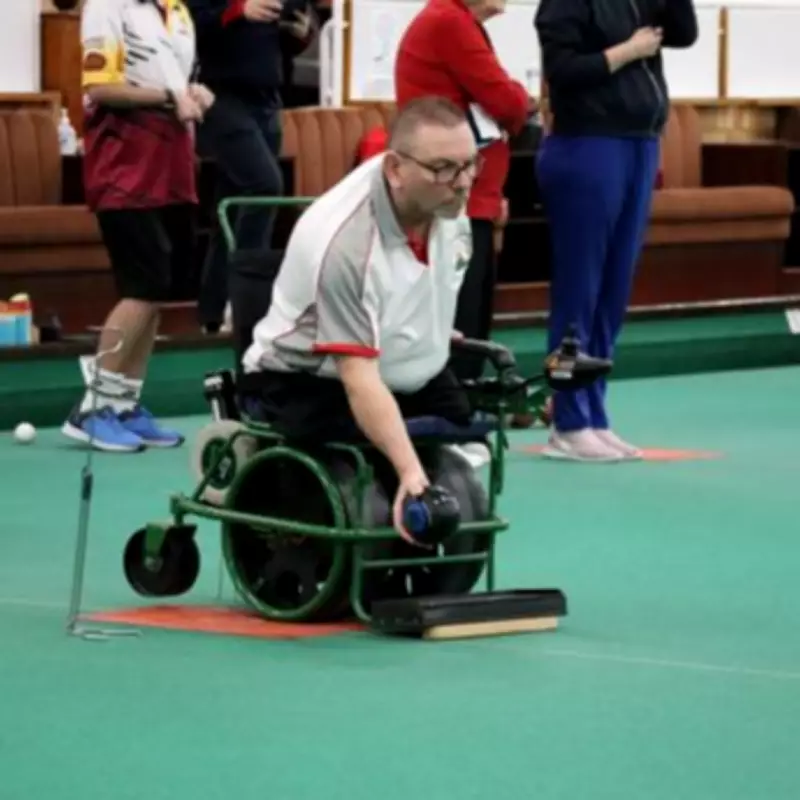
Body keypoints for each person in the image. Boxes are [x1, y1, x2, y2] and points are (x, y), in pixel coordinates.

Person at [240, 96, 482, 540]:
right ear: (394, 169)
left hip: (401, 365)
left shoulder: (442, 198)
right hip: (311, 379)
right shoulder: (343, 244)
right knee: (394, 454)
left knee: (470, 414)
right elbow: (359, 379)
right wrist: (411, 476)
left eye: (470, 165)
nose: (463, 182)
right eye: (445, 168)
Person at [534, 0, 697, 462]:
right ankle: (567, 419)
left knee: (612, 291)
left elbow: (682, 33)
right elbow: (562, 70)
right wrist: (624, 52)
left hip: (639, 143)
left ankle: (594, 412)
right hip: (587, 146)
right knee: (578, 292)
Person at [62, 0, 215, 453]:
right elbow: (102, 88)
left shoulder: (176, 11)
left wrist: (195, 93)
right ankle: (93, 409)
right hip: (124, 167)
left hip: (173, 165)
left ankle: (124, 405)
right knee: (141, 285)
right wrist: (172, 98)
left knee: (160, 289)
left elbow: (172, 78)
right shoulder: (107, 7)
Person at [394, 0, 534, 386]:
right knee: (462, 325)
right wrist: (522, 97)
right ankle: (452, 423)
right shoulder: (449, 22)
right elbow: (506, 100)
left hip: (467, 195)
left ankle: (459, 421)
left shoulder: (454, 20)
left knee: (470, 321)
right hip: (455, 198)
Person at [186, 0, 315, 334]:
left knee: (230, 206)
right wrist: (238, 10)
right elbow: (188, 24)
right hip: (219, 95)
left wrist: (301, 35)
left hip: (268, 97)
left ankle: (213, 314)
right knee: (264, 188)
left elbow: (287, 34)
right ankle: (248, 302)